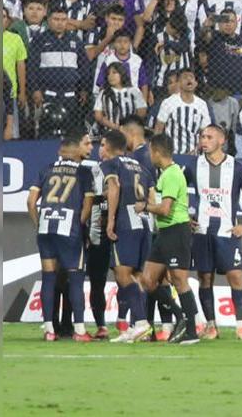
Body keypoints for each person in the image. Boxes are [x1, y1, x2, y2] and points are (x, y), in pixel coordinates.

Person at [187, 125, 242, 341]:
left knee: (236, 276)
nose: (204, 140)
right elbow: (177, 191)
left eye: (209, 137)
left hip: (227, 233)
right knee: (204, 277)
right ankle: (211, 326)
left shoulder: (237, 167)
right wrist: (185, 216)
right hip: (202, 232)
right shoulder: (193, 166)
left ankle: (241, 326)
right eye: (202, 137)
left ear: (221, 140)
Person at [27, 133, 95, 341]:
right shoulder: (84, 172)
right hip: (69, 228)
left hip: (46, 227)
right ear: (75, 150)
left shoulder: (46, 169)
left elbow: (31, 202)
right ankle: (80, 331)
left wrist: (38, 223)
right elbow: (88, 204)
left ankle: (49, 330)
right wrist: (80, 225)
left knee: (48, 278)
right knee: (75, 278)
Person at [138, 133, 201, 344]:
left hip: (175, 231)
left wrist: (145, 207)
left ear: (157, 152)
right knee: (147, 280)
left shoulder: (172, 174)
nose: (149, 155)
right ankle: (180, 315)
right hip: (165, 233)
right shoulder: (166, 174)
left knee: (179, 280)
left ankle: (191, 331)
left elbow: (165, 209)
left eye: (150, 151)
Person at [99, 129, 151, 342]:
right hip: (145, 222)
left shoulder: (111, 164)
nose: (100, 149)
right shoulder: (141, 166)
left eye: (102, 145)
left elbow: (115, 187)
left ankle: (141, 322)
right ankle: (136, 327)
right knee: (137, 276)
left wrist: (111, 220)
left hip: (126, 223)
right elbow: (151, 196)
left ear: (110, 147)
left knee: (122, 274)